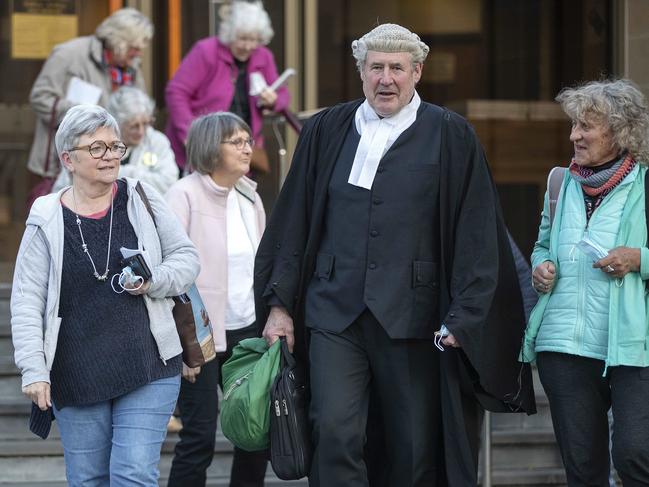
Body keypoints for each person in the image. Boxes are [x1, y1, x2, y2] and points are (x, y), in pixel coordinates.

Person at [254, 23, 535, 486]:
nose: (386, 78)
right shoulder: (326, 128)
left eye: (397, 69)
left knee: (412, 447)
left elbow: (477, 234)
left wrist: (465, 315)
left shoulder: (451, 135)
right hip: (333, 312)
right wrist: (280, 306)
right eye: (376, 67)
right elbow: (293, 221)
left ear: (417, 72)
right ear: (361, 72)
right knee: (334, 430)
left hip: (414, 317)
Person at [11, 104, 200, 486]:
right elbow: (27, 297)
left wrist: (154, 279)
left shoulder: (141, 197)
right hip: (76, 371)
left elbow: (186, 258)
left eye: (115, 147)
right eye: (97, 148)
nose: (110, 156)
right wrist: (33, 368)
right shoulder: (46, 214)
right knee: (88, 479)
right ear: (69, 158)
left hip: (149, 364)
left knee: (133, 474)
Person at [522, 78, 649, 486]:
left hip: (633, 348)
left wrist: (638, 259)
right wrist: (540, 268)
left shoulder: (645, 185)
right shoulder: (560, 182)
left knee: (635, 455)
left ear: (620, 131)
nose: (574, 134)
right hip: (564, 345)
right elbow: (543, 244)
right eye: (574, 124)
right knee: (583, 471)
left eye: (586, 126)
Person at [165, 112, 267, 487]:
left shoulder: (248, 195)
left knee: (255, 432)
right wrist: (183, 343)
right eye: (236, 141)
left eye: (247, 140)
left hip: (248, 330)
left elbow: (262, 264)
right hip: (200, 335)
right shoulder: (183, 194)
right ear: (211, 147)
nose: (247, 148)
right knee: (199, 437)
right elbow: (170, 272)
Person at [165, 0, 290, 173]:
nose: (248, 46)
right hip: (205, 146)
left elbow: (283, 95)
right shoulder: (206, 51)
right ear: (229, 34)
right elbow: (176, 92)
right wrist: (189, 134)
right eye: (242, 39)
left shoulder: (263, 56)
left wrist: (273, 100)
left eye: (254, 40)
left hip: (240, 149)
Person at [27, 8, 153, 180]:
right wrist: (85, 116)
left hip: (113, 162)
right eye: (134, 48)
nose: (139, 54)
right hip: (64, 163)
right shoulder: (68, 55)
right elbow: (40, 97)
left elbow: (141, 109)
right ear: (119, 41)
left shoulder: (132, 66)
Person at [52, 87, 179, 194]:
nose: (141, 131)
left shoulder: (156, 141)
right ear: (118, 122)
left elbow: (169, 182)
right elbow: (63, 186)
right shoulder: (92, 141)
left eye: (146, 123)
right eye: (134, 126)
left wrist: (126, 173)